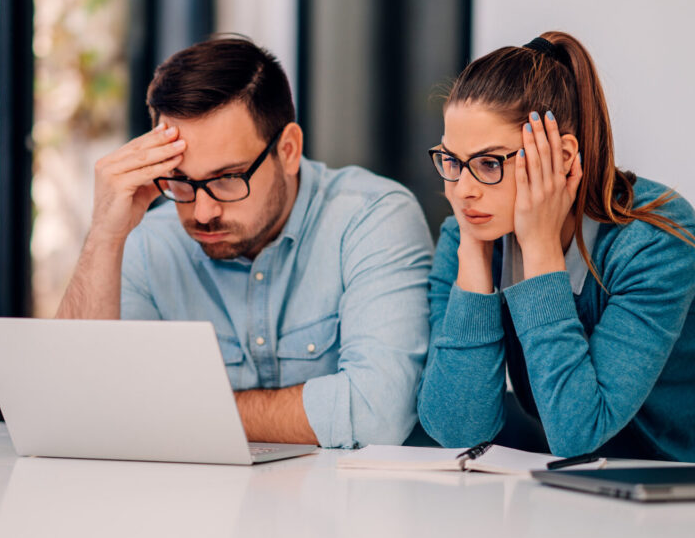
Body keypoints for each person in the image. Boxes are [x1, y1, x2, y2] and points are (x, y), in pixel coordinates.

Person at [417, 31, 695, 466]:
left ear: (562, 156)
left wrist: (539, 250)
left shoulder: (656, 240)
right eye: (452, 162)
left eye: (489, 163)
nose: (462, 190)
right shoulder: (469, 232)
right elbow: (457, 431)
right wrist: (475, 257)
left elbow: (576, 432)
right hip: (623, 400)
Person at [56, 36, 433, 448]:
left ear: (287, 150)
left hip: (346, 509)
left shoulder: (372, 218)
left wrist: (173, 413)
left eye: (227, 178)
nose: (202, 212)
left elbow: (377, 414)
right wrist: (105, 236)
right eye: (180, 182)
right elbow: (78, 410)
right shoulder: (148, 242)